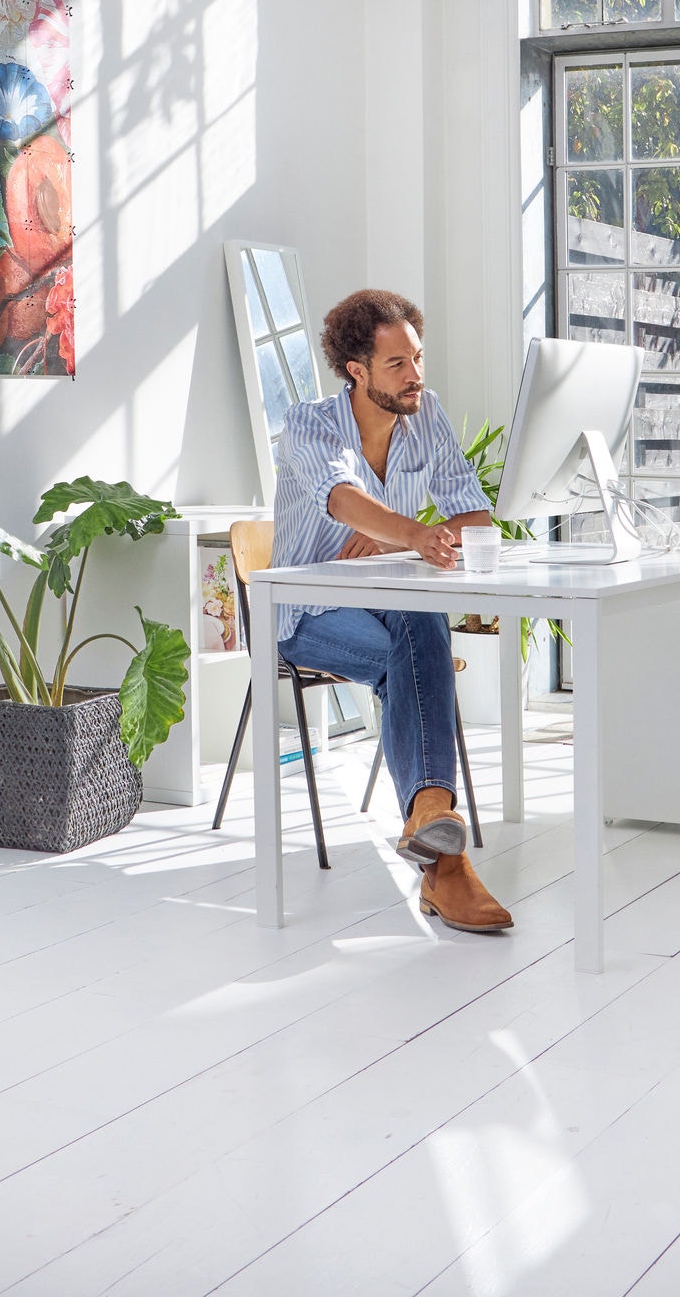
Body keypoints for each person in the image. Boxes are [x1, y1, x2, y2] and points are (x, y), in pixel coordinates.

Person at [273, 288, 514, 934]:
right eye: (397, 364)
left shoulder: (425, 414)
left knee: (419, 619)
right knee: (415, 647)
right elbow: (341, 499)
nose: (416, 375)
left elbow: (474, 514)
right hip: (306, 613)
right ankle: (445, 861)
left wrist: (396, 540)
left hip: (386, 603)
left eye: (418, 358)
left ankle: (432, 826)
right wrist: (409, 534)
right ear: (357, 371)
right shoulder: (309, 424)